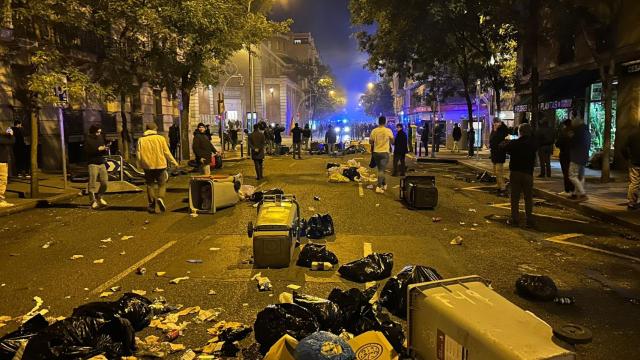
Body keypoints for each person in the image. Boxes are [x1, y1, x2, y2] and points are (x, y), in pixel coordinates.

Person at [501, 123, 537, 228]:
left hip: (516, 172)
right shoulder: (533, 144)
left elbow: (503, 147)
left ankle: (515, 218)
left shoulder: (515, 143)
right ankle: (529, 219)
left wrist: (506, 142)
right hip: (528, 173)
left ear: (520, 132)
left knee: (515, 197)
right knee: (528, 197)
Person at [137, 123, 179, 214]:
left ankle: (152, 205)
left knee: (149, 185)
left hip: (147, 166)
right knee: (162, 184)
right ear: (155, 128)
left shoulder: (141, 140)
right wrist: (174, 162)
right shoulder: (161, 138)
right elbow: (166, 152)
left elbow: (138, 154)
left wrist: (140, 164)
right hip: (160, 164)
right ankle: (160, 198)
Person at [84, 124, 109, 210]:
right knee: (92, 183)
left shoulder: (100, 138)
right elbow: (87, 151)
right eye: (98, 132)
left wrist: (104, 149)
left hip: (101, 162)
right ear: (93, 132)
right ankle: (92, 201)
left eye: (100, 132)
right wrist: (97, 149)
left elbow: (102, 147)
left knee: (105, 182)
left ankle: (99, 196)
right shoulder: (88, 139)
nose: (99, 134)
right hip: (92, 163)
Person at [568, 112, 591, 200]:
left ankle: (582, 193)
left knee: (572, 175)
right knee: (580, 176)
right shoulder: (587, 132)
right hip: (584, 156)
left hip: (576, 156)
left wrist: (570, 137)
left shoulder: (577, 133)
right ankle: (575, 193)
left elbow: (573, 144)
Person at [370, 116, 394, 193]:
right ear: (385, 122)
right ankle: (378, 186)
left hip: (376, 153)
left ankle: (384, 184)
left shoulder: (374, 131)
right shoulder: (388, 131)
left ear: (378, 122)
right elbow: (393, 141)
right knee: (381, 170)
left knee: (381, 170)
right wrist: (388, 142)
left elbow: (370, 141)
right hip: (384, 153)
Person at [489, 117, 510, 195]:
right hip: (494, 153)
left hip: (500, 153)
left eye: (496, 123)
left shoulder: (503, 130)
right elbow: (491, 139)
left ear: (499, 122)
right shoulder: (494, 129)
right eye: (494, 123)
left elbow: (499, 139)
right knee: (495, 172)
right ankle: (499, 186)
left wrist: (495, 131)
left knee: (499, 172)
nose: (494, 124)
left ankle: (502, 188)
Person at [623, 123, 640, 210]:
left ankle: (632, 202)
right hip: (635, 162)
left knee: (634, 183)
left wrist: (628, 158)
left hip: (634, 162)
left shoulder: (632, 135)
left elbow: (622, 148)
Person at [555, 119, 574, 195]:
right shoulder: (576, 132)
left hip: (565, 154)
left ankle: (567, 190)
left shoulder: (564, 133)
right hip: (574, 155)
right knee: (572, 173)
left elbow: (558, 143)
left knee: (566, 173)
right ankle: (573, 190)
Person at [0, 127, 15, 207]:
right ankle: (0, 200)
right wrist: (11, 135)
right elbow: (11, 141)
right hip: (1, 162)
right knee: (2, 181)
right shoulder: (2, 139)